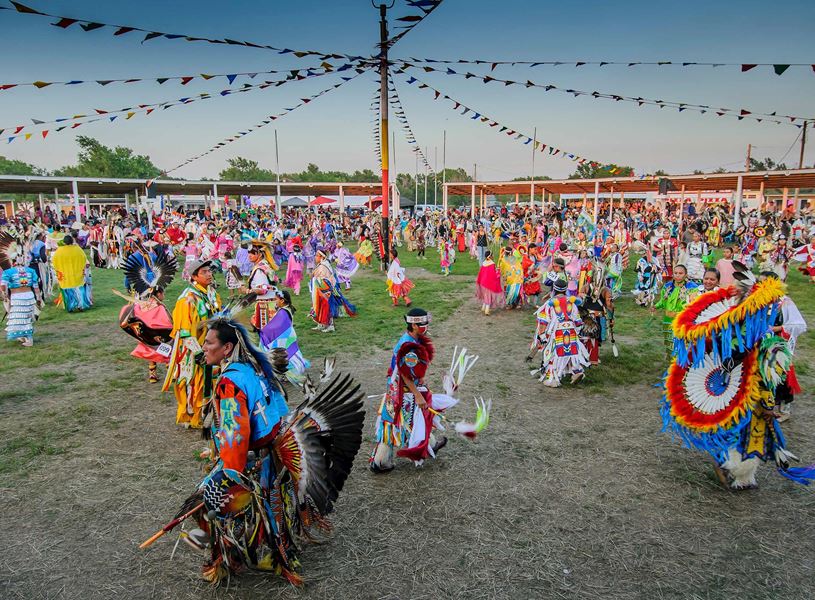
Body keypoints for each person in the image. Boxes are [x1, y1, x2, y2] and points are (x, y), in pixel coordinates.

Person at [148, 317, 364, 585]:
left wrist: (229, 474)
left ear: (227, 348)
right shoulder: (251, 369)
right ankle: (271, 554)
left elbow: (234, 434)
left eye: (210, 343)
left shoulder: (229, 383)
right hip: (272, 452)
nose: (204, 347)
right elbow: (277, 410)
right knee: (268, 508)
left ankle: (227, 559)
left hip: (248, 458)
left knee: (205, 506)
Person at [661, 262, 813, 490]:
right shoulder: (738, 324)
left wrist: (768, 400)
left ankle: (742, 474)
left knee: (749, 431)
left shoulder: (759, 334)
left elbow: (764, 370)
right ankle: (731, 465)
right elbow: (739, 354)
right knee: (735, 427)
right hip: (733, 381)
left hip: (746, 383)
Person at [370, 308, 446, 472]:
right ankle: (380, 462)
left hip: (399, 388)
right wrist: (418, 394)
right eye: (423, 324)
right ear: (414, 325)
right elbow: (405, 374)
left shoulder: (412, 340)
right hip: (403, 391)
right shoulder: (408, 345)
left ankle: (430, 444)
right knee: (397, 422)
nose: (426, 327)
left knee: (406, 419)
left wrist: (420, 381)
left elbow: (407, 369)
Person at [162, 260, 222, 429]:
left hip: (211, 346)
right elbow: (184, 331)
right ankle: (195, 416)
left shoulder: (210, 293)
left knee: (213, 380)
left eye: (210, 271)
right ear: (194, 276)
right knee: (195, 383)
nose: (209, 274)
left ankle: (210, 411)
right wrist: (198, 353)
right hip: (193, 350)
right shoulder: (187, 300)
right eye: (204, 272)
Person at [119, 250, 178, 383]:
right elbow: (167, 324)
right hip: (159, 336)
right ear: (158, 293)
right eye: (163, 293)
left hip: (146, 336)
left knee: (151, 350)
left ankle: (152, 375)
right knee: (167, 349)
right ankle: (171, 371)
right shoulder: (159, 307)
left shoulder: (141, 305)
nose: (164, 296)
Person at [760, 271, 807, 422]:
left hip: (778, 342)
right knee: (764, 373)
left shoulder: (784, 302)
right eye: (759, 282)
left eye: (765, 282)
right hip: (761, 342)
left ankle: (784, 408)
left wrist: (777, 329)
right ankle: (767, 404)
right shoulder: (757, 300)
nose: (761, 285)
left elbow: (798, 324)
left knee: (781, 374)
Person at [530, 279, 589, 387]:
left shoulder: (550, 303)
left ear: (554, 290)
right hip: (571, 331)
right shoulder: (571, 302)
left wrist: (542, 336)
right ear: (565, 290)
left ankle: (553, 379)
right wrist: (578, 332)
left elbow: (543, 322)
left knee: (553, 354)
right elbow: (577, 321)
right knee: (572, 353)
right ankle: (577, 372)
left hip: (556, 333)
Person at [259, 289, 310, 385]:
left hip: (284, 337)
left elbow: (276, 326)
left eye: (276, 299)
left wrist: (264, 331)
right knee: (287, 354)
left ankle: (287, 373)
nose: (275, 301)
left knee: (284, 354)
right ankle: (285, 373)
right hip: (288, 336)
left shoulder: (283, 312)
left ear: (282, 300)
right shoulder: (286, 309)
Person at [1, 237, 42, 347]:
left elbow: (3, 285)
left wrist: (5, 296)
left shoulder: (8, 272)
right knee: (27, 317)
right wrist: (38, 298)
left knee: (19, 318)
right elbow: (36, 286)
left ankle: (29, 339)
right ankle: (24, 336)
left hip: (17, 297)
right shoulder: (30, 270)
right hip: (29, 296)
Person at [653, 265, 699, 360]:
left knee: (682, 342)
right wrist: (656, 306)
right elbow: (663, 301)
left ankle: (682, 362)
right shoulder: (667, 286)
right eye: (675, 273)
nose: (677, 275)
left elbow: (693, 304)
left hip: (682, 321)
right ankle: (672, 362)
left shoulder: (692, 288)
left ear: (686, 275)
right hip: (668, 319)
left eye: (680, 273)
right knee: (670, 341)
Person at [310, 249, 356, 333]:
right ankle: (321, 324)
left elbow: (324, 279)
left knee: (326, 307)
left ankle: (330, 326)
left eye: (316, 255)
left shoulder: (323, 266)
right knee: (320, 307)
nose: (315, 257)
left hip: (324, 290)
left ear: (321, 257)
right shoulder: (322, 264)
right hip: (321, 289)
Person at [52, 234, 93, 312]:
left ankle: (70, 307)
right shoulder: (78, 249)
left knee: (68, 290)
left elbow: (54, 261)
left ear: (64, 242)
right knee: (79, 289)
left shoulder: (59, 251)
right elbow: (84, 259)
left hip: (65, 275)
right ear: (72, 241)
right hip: (76, 274)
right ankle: (81, 306)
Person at [244, 240, 278, 332]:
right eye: (249, 253)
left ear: (259, 254)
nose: (249, 255)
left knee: (266, 333)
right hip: (271, 303)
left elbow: (263, 289)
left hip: (265, 306)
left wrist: (247, 291)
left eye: (253, 253)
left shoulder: (259, 269)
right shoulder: (265, 265)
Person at [474, 249, 504, 315]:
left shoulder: (484, 263)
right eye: (492, 255)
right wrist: (498, 272)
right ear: (490, 256)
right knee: (488, 296)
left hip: (483, 283)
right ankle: (487, 310)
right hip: (488, 283)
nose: (493, 256)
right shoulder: (492, 264)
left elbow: (481, 273)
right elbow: (493, 274)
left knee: (486, 296)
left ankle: (484, 307)